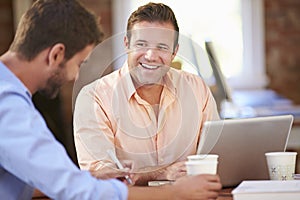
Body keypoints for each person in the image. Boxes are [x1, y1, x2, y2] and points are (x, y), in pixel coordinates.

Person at [0, 0, 222, 199]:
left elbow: (34, 181)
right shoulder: (8, 103)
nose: (75, 77)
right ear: (56, 55)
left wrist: (94, 176)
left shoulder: (10, 95)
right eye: (79, 64)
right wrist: (173, 193)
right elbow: (73, 189)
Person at [74, 2, 220, 186]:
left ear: (174, 52)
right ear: (127, 44)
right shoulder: (94, 98)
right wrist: (162, 173)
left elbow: (217, 155)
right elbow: (100, 177)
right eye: (141, 44)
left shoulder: (197, 89)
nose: (151, 55)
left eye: (162, 47)